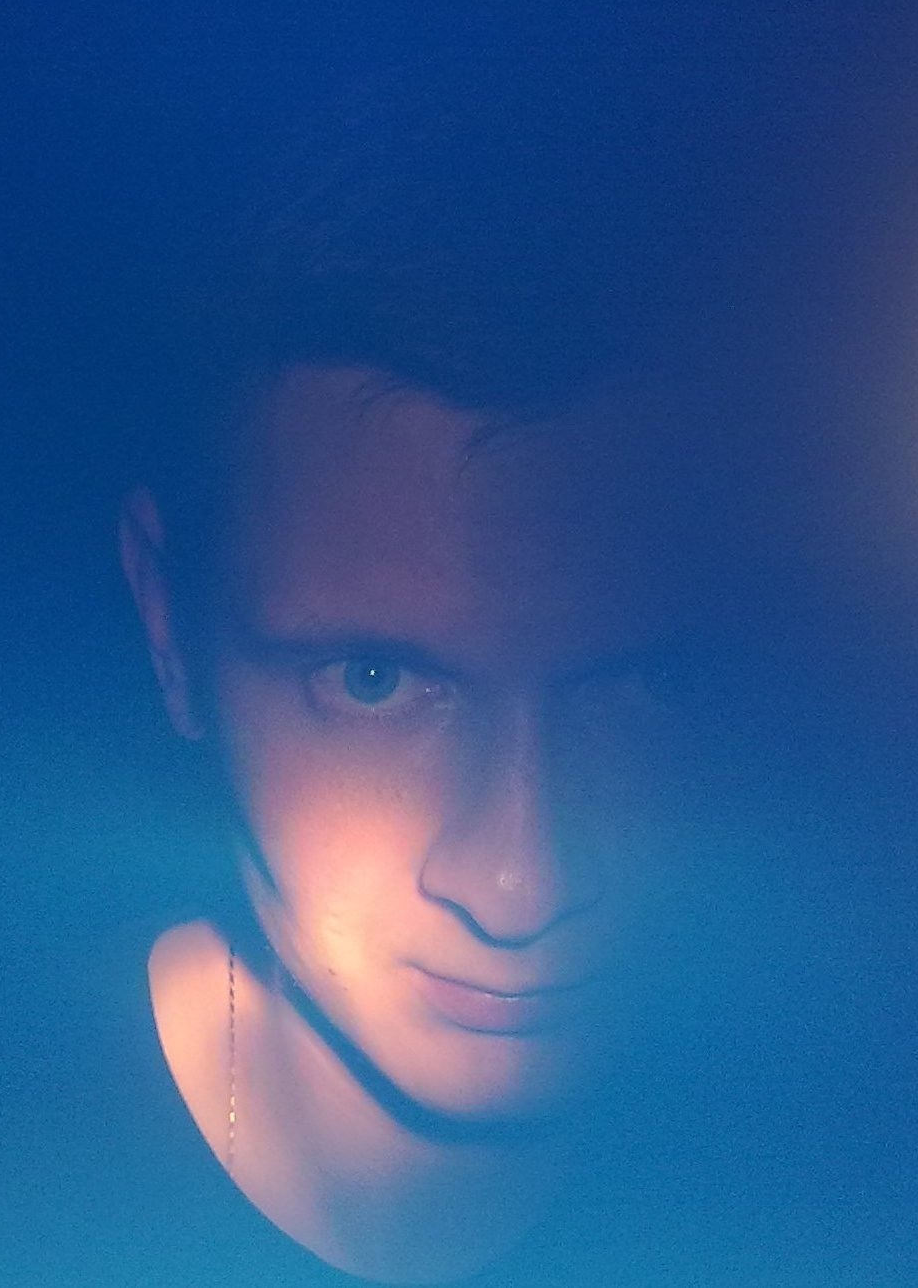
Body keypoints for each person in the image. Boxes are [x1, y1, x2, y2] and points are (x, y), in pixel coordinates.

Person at [105, 74, 709, 1283]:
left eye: (645, 682)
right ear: (170, 630)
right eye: (373, 679)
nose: (522, 882)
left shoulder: (906, 1167)